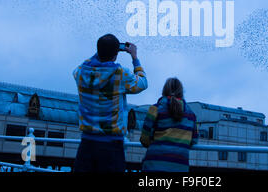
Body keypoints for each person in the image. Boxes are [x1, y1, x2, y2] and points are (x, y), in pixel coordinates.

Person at [73, 34, 148, 172]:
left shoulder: (81, 72)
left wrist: (104, 49)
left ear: (98, 50)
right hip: (112, 145)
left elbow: (86, 63)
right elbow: (143, 83)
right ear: (115, 54)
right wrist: (134, 58)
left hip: (87, 143)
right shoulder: (119, 74)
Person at [140, 77, 198, 172]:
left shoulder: (155, 109)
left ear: (164, 90)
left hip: (153, 165)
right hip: (180, 166)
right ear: (181, 92)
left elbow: (144, 140)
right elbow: (194, 141)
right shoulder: (191, 115)